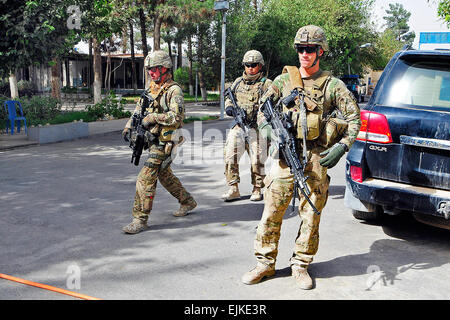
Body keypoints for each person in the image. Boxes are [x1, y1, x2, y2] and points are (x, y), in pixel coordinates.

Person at [241, 26, 361, 289]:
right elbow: (263, 111)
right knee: (272, 211)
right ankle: (265, 263)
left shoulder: (332, 85)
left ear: (320, 52)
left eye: (310, 49)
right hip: (285, 155)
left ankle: (301, 264)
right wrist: (269, 132)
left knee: (311, 214)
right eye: (300, 49)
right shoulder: (282, 81)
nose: (304, 54)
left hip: (316, 158)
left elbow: (354, 118)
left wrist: (342, 146)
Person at [122, 50, 197, 234]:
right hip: (153, 140)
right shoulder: (150, 90)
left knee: (146, 177)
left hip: (167, 141)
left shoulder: (174, 90)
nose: (151, 73)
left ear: (165, 68)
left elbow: (176, 117)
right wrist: (128, 126)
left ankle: (139, 219)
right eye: (149, 69)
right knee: (164, 175)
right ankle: (187, 201)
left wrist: (155, 117)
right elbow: (138, 111)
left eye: (155, 69)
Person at [222, 50, 272, 202]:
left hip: (257, 128)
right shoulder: (238, 82)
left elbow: (272, 104)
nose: (250, 68)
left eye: (254, 65)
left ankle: (257, 189)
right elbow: (229, 98)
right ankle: (233, 188)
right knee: (230, 155)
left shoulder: (266, 84)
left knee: (258, 159)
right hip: (239, 126)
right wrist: (229, 107)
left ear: (260, 66)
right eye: (247, 65)